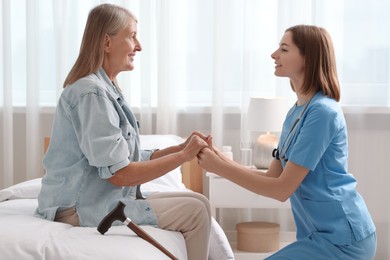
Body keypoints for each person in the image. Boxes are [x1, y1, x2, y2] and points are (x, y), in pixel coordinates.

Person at [35, 4, 232, 260]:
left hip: (96, 199)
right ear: (107, 42)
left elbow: (124, 156)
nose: (138, 46)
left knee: (200, 204)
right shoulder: (91, 93)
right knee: (195, 210)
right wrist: (183, 158)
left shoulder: (106, 88)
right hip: (78, 208)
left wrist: (181, 148)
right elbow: (120, 174)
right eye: (132, 36)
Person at [198, 25, 376, 259]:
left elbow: (282, 190)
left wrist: (219, 167)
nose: (274, 55)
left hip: (343, 239)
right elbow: (273, 178)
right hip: (318, 236)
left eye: (284, 49)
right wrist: (219, 157)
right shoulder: (296, 112)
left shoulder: (323, 112)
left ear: (307, 58)